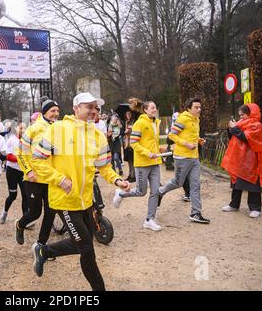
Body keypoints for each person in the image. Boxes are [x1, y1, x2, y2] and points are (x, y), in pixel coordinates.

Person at [30, 92, 130, 291]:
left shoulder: (98, 136)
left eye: (96, 107)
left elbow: (104, 167)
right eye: (89, 107)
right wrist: (59, 179)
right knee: (86, 247)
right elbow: (37, 160)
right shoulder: (57, 129)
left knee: (81, 244)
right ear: (76, 108)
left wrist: (117, 180)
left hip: (86, 200)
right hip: (64, 199)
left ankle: (44, 251)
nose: (94, 111)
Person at [113, 101, 166, 231]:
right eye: (152, 108)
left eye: (155, 107)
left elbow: (150, 142)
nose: (154, 110)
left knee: (155, 191)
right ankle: (120, 194)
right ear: (145, 110)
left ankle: (149, 220)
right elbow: (134, 143)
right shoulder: (140, 123)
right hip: (142, 163)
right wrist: (148, 153)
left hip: (155, 163)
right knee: (141, 192)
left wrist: (159, 150)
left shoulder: (156, 122)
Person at [158, 97, 210, 224]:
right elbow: (172, 135)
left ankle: (196, 213)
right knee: (178, 182)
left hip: (194, 157)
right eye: (196, 107)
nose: (199, 109)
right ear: (189, 108)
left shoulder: (196, 119)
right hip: (182, 157)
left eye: (200, 107)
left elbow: (192, 134)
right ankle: (160, 191)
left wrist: (199, 140)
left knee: (195, 185)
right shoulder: (183, 119)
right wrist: (186, 143)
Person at [15, 99, 60, 245]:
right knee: (35, 213)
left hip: (52, 178)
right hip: (34, 178)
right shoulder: (33, 129)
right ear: (44, 112)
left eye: (57, 111)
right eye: (53, 110)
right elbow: (21, 153)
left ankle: (41, 246)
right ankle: (20, 225)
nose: (56, 114)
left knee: (50, 213)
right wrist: (28, 171)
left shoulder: (59, 129)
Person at [221, 103, 262, 218]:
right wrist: (231, 129)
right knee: (235, 182)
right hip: (239, 158)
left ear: (251, 113)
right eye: (240, 115)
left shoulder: (256, 125)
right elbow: (234, 137)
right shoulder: (241, 123)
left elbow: (245, 138)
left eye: (243, 115)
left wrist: (234, 128)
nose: (241, 117)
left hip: (251, 160)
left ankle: (255, 208)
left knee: (253, 183)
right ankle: (234, 204)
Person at [0, 121, 28, 224]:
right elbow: (8, 156)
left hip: (23, 171)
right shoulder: (11, 140)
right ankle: (4, 213)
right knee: (13, 195)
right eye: (20, 128)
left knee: (26, 195)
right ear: (16, 128)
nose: (23, 130)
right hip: (12, 171)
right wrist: (21, 158)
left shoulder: (27, 141)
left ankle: (25, 220)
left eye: (24, 128)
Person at [167, 111, 191, 201]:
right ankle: (189, 193)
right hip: (178, 153)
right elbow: (169, 141)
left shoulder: (185, 128)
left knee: (183, 176)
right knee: (184, 176)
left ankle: (189, 194)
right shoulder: (175, 128)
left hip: (185, 154)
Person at [123, 110, 136, 182]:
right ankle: (130, 174)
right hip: (126, 143)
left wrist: (129, 131)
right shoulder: (126, 122)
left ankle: (133, 176)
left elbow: (133, 130)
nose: (128, 115)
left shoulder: (133, 121)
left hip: (131, 142)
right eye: (127, 114)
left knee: (132, 160)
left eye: (129, 114)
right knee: (128, 160)